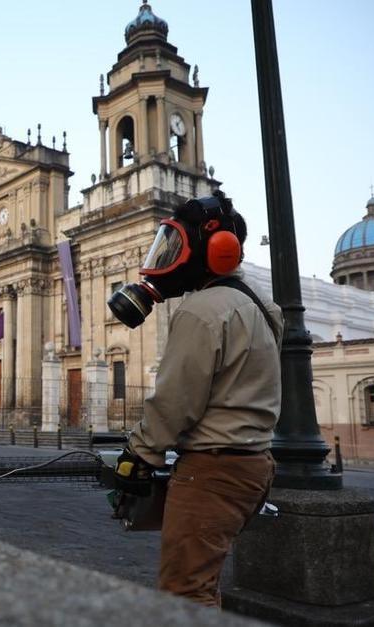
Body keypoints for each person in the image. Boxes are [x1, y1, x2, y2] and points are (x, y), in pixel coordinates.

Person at [107, 193, 283, 608]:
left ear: (217, 250)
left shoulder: (203, 310)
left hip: (213, 471)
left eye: (177, 246)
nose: (168, 259)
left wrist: (140, 453)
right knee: (203, 583)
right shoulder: (261, 305)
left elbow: (175, 400)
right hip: (253, 465)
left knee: (185, 593)